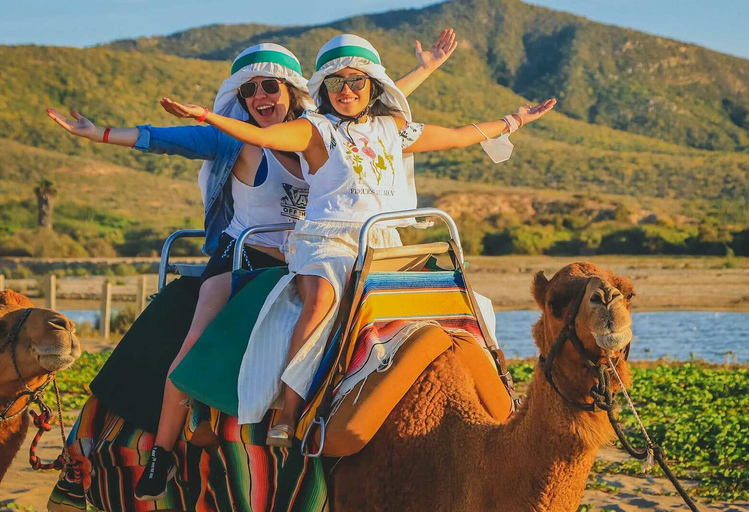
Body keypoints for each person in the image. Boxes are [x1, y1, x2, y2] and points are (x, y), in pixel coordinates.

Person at [46, 31, 458, 502]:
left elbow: (364, 103)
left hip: (316, 253)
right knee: (198, 337)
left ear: (294, 92)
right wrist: (100, 133)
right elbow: (164, 139)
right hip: (246, 255)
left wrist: (425, 69)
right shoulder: (234, 138)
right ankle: (162, 450)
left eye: (270, 87)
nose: (260, 97)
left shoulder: (322, 130)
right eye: (250, 90)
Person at [162, 33, 556, 448]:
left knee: (466, 299)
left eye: (356, 81)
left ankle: (497, 391)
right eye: (335, 83)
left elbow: (458, 135)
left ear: (372, 85)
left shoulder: (393, 128)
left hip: (382, 240)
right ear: (323, 90)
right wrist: (208, 115)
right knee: (320, 299)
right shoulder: (314, 129)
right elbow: (262, 137)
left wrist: (514, 120)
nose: (346, 90)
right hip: (328, 239)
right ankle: (288, 412)